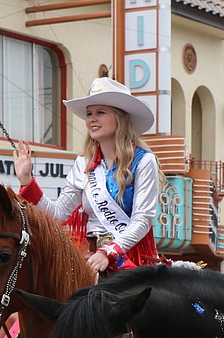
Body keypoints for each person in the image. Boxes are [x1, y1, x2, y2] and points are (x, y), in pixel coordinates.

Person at [14, 77, 162, 275]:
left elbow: (142, 220)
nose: (92, 119)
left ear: (120, 118)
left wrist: (108, 251)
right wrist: (26, 180)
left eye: (100, 112)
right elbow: (57, 214)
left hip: (128, 258)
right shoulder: (83, 163)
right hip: (89, 256)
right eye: (89, 113)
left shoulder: (143, 161)